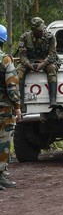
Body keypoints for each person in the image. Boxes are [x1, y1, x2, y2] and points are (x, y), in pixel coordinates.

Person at [16, 17, 60, 108]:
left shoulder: (50, 37)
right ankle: (20, 102)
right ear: (33, 30)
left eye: (42, 28)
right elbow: (22, 55)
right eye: (39, 30)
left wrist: (43, 64)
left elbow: (52, 54)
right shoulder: (24, 37)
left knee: (51, 68)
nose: (42, 31)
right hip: (30, 61)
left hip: (46, 61)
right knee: (19, 70)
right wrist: (29, 64)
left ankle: (53, 99)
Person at [0, 24, 21, 189]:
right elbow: (12, 85)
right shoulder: (5, 60)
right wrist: (17, 106)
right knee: (4, 141)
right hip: (4, 108)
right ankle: (1, 175)